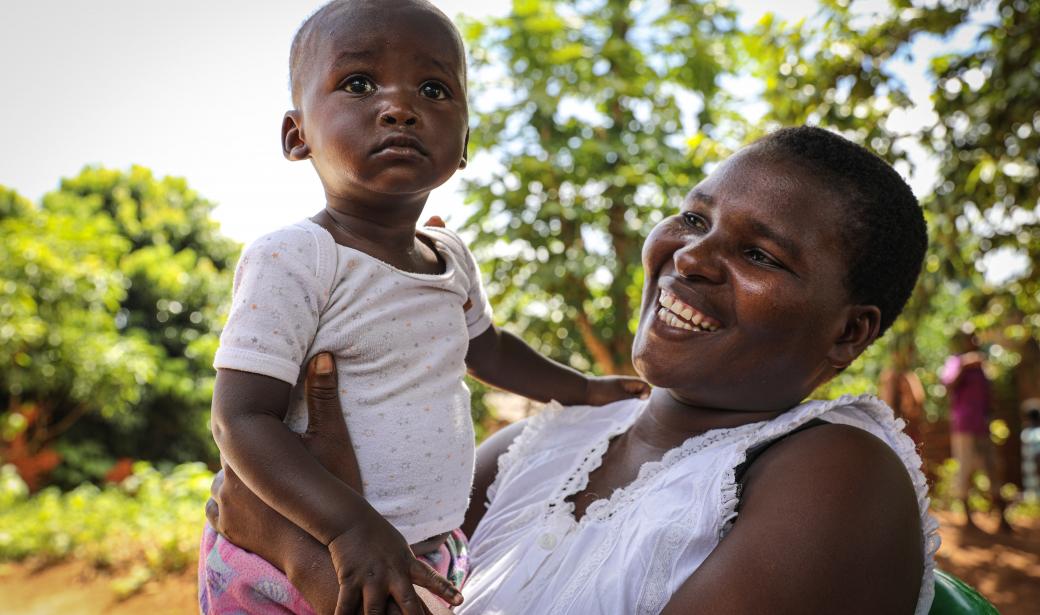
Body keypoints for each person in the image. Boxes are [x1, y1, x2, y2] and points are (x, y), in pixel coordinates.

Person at [208, 126, 942, 614]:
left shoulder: (836, 474)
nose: (690, 256)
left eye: (760, 255)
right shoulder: (548, 443)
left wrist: (301, 551)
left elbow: (304, 548)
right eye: (694, 219)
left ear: (848, 332)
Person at [197, 2, 649, 614]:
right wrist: (346, 528)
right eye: (359, 84)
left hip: (425, 547)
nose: (400, 106)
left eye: (434, 89)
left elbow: (487, 348)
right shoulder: (297, 257)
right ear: (296, 134)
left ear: (463, 144)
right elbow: (241, 421)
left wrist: (581, 388)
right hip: (306, 547)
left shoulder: (449, 256)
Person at [940, 329, 1011, 532]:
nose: (973, 341)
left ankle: (1002, 518)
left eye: (975, 337)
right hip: (964, 425)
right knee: (965, 469)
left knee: (993, 468)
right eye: (969, 337)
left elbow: (990, 395)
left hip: (982, 425)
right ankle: (968, 519)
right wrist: (964, 364)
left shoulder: (982, 365)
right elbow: (949, 385)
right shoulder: (956, 362)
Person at [1021, 400, 1040, 502]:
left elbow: (1038, 454)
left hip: (1035, 471)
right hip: (1030, 471)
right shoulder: (1027, 433)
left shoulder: (1035, 434)